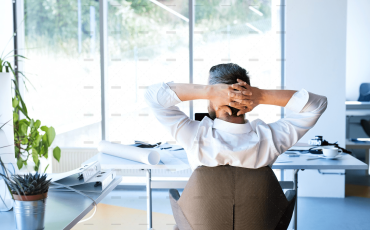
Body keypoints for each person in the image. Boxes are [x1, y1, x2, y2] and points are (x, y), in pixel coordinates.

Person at [144, 63, 327, 171]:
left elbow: (153, 95)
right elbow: (318, 105)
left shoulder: (194, 136)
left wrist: (208, 91)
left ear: (213, 100)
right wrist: (261, 95)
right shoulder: (272, 139)